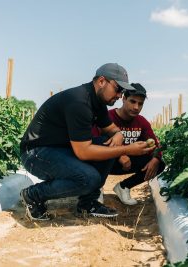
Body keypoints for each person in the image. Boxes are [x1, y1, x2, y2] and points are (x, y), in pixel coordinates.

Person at [19, 63, 155, 221]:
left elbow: (111, 129)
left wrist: (118, 134)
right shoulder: (79, 102)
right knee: (89, 179)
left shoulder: (97, 102)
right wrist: (126, 150)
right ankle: (33, 195)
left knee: (107, 142)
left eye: (122, 92)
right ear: (102, 81)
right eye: (118, 89)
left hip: (59, 150)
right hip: (36, 154)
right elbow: (83, 152)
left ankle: (87, 203)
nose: (119, 95)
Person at [93, 83, 165, 205]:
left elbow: (155, 145)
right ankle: (96, 188)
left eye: (140, 103)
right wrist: (120, 154)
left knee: (159, 164)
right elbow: (93, 142)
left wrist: (156, 159)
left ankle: (123, 187)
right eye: (132, 101)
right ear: (124, 98)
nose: (136, 107)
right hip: (104, 161)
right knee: (102, 142)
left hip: (128, 163)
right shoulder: (107, 117)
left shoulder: (141, 122)